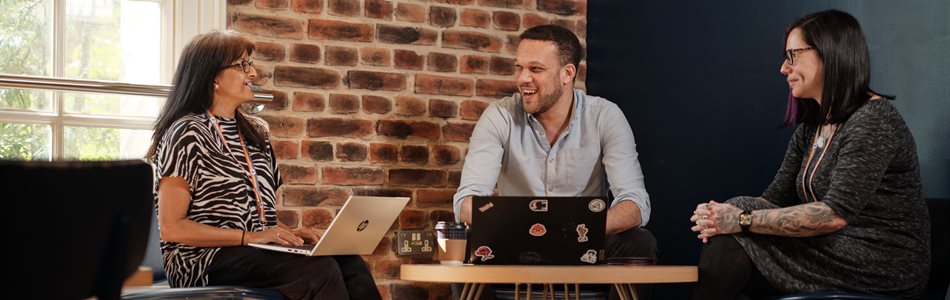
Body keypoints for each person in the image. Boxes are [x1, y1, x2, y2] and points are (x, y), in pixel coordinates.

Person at [689, 10, 930, 299]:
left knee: (739, 227)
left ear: (829, 54)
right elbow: (773, 199)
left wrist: (740, 219)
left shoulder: (873, 120)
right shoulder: (812, 127)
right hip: (832, 250)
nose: (783, 68)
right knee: (736, 220)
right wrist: (719, 215)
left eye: (793, 55)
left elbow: (833, 216)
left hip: (880, 262)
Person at [147, 30, 381, 300]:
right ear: (213, 77)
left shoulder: (256, 132)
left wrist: (287, 236)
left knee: (349, 261)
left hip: (255, 251)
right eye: (242, 65)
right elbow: (172, 228)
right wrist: (249, 237)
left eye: (251, 64)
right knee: (318, 270)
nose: (253, 73)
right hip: (202, 259)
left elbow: (260, 216)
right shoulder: (186, 133)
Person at [454, 24, 657, 299]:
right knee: (464, 241)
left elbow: (635, 204)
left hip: (586, 243)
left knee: (639, 242)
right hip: (515, 245)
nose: (523, 78)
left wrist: (575, 231)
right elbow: (467, 201)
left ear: (567, 73)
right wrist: (527, 228)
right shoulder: (499, 116)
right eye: (519, 67)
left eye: (535, 69)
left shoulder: (605, 116)